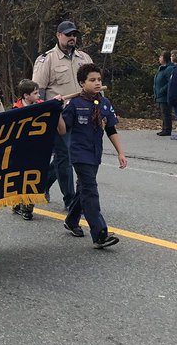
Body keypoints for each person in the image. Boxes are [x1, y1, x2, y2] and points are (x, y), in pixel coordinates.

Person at [59, 63, 127, 249]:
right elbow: (63, 129)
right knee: (90, 190)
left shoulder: (104, 103)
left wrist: (120, 152)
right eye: (92, 80)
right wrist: (57, 111)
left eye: (99, 80)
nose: (97, 83)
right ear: (82, 83)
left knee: (83, 189)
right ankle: (99, 234)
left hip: (95, 153)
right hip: (79, 154)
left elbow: (111, 129)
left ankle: (72, 221)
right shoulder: (74, 104)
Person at [32, 20, 93, 209]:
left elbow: (94, 84)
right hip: (60, 117)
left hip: (82, 115)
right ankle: (71, 201)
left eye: (74, 34)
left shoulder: (84, 58)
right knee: (65, 157)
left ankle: (41, 185)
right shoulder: (47, 59)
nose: (72, 38)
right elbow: (38, 91)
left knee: (65, 157)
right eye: (68, 34)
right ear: (58, 36)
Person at [11, 78, 42, 221]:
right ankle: (18, 203)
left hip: (37, 148)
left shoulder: (42, 106)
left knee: (33, 178)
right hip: (21, 149)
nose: (38, 96)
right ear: (26, 95)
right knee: (21, 178)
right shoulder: (15, 109)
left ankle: (27, 207)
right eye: (36, 93)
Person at [153, 52, 174, 136]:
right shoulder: (161, 68)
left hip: (165, 94)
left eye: (161, 57)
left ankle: (167, 129)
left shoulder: (169, 69)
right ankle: (164, 128)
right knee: (163, 112)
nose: (159, 58)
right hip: (159, 94)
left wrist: (162, 90)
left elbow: (170, 82)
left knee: (166, 112)